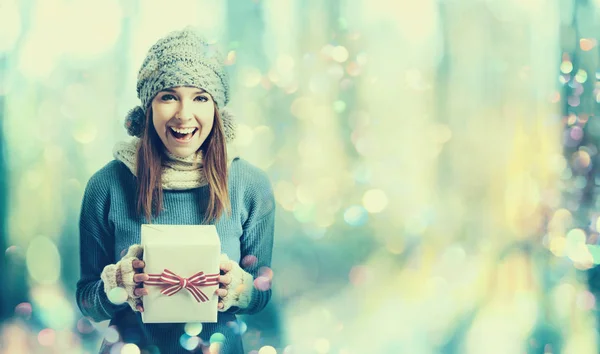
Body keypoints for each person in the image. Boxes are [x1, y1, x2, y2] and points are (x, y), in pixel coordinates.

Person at [75, 27, 276, 354]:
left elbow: (262, 293)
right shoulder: (107, 186)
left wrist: (241, 288)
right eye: (168, 96)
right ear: (148, 107)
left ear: (217, 109)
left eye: (200, 97)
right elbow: (87, 300)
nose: (184, 114)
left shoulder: (250, 185)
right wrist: (117, 285)